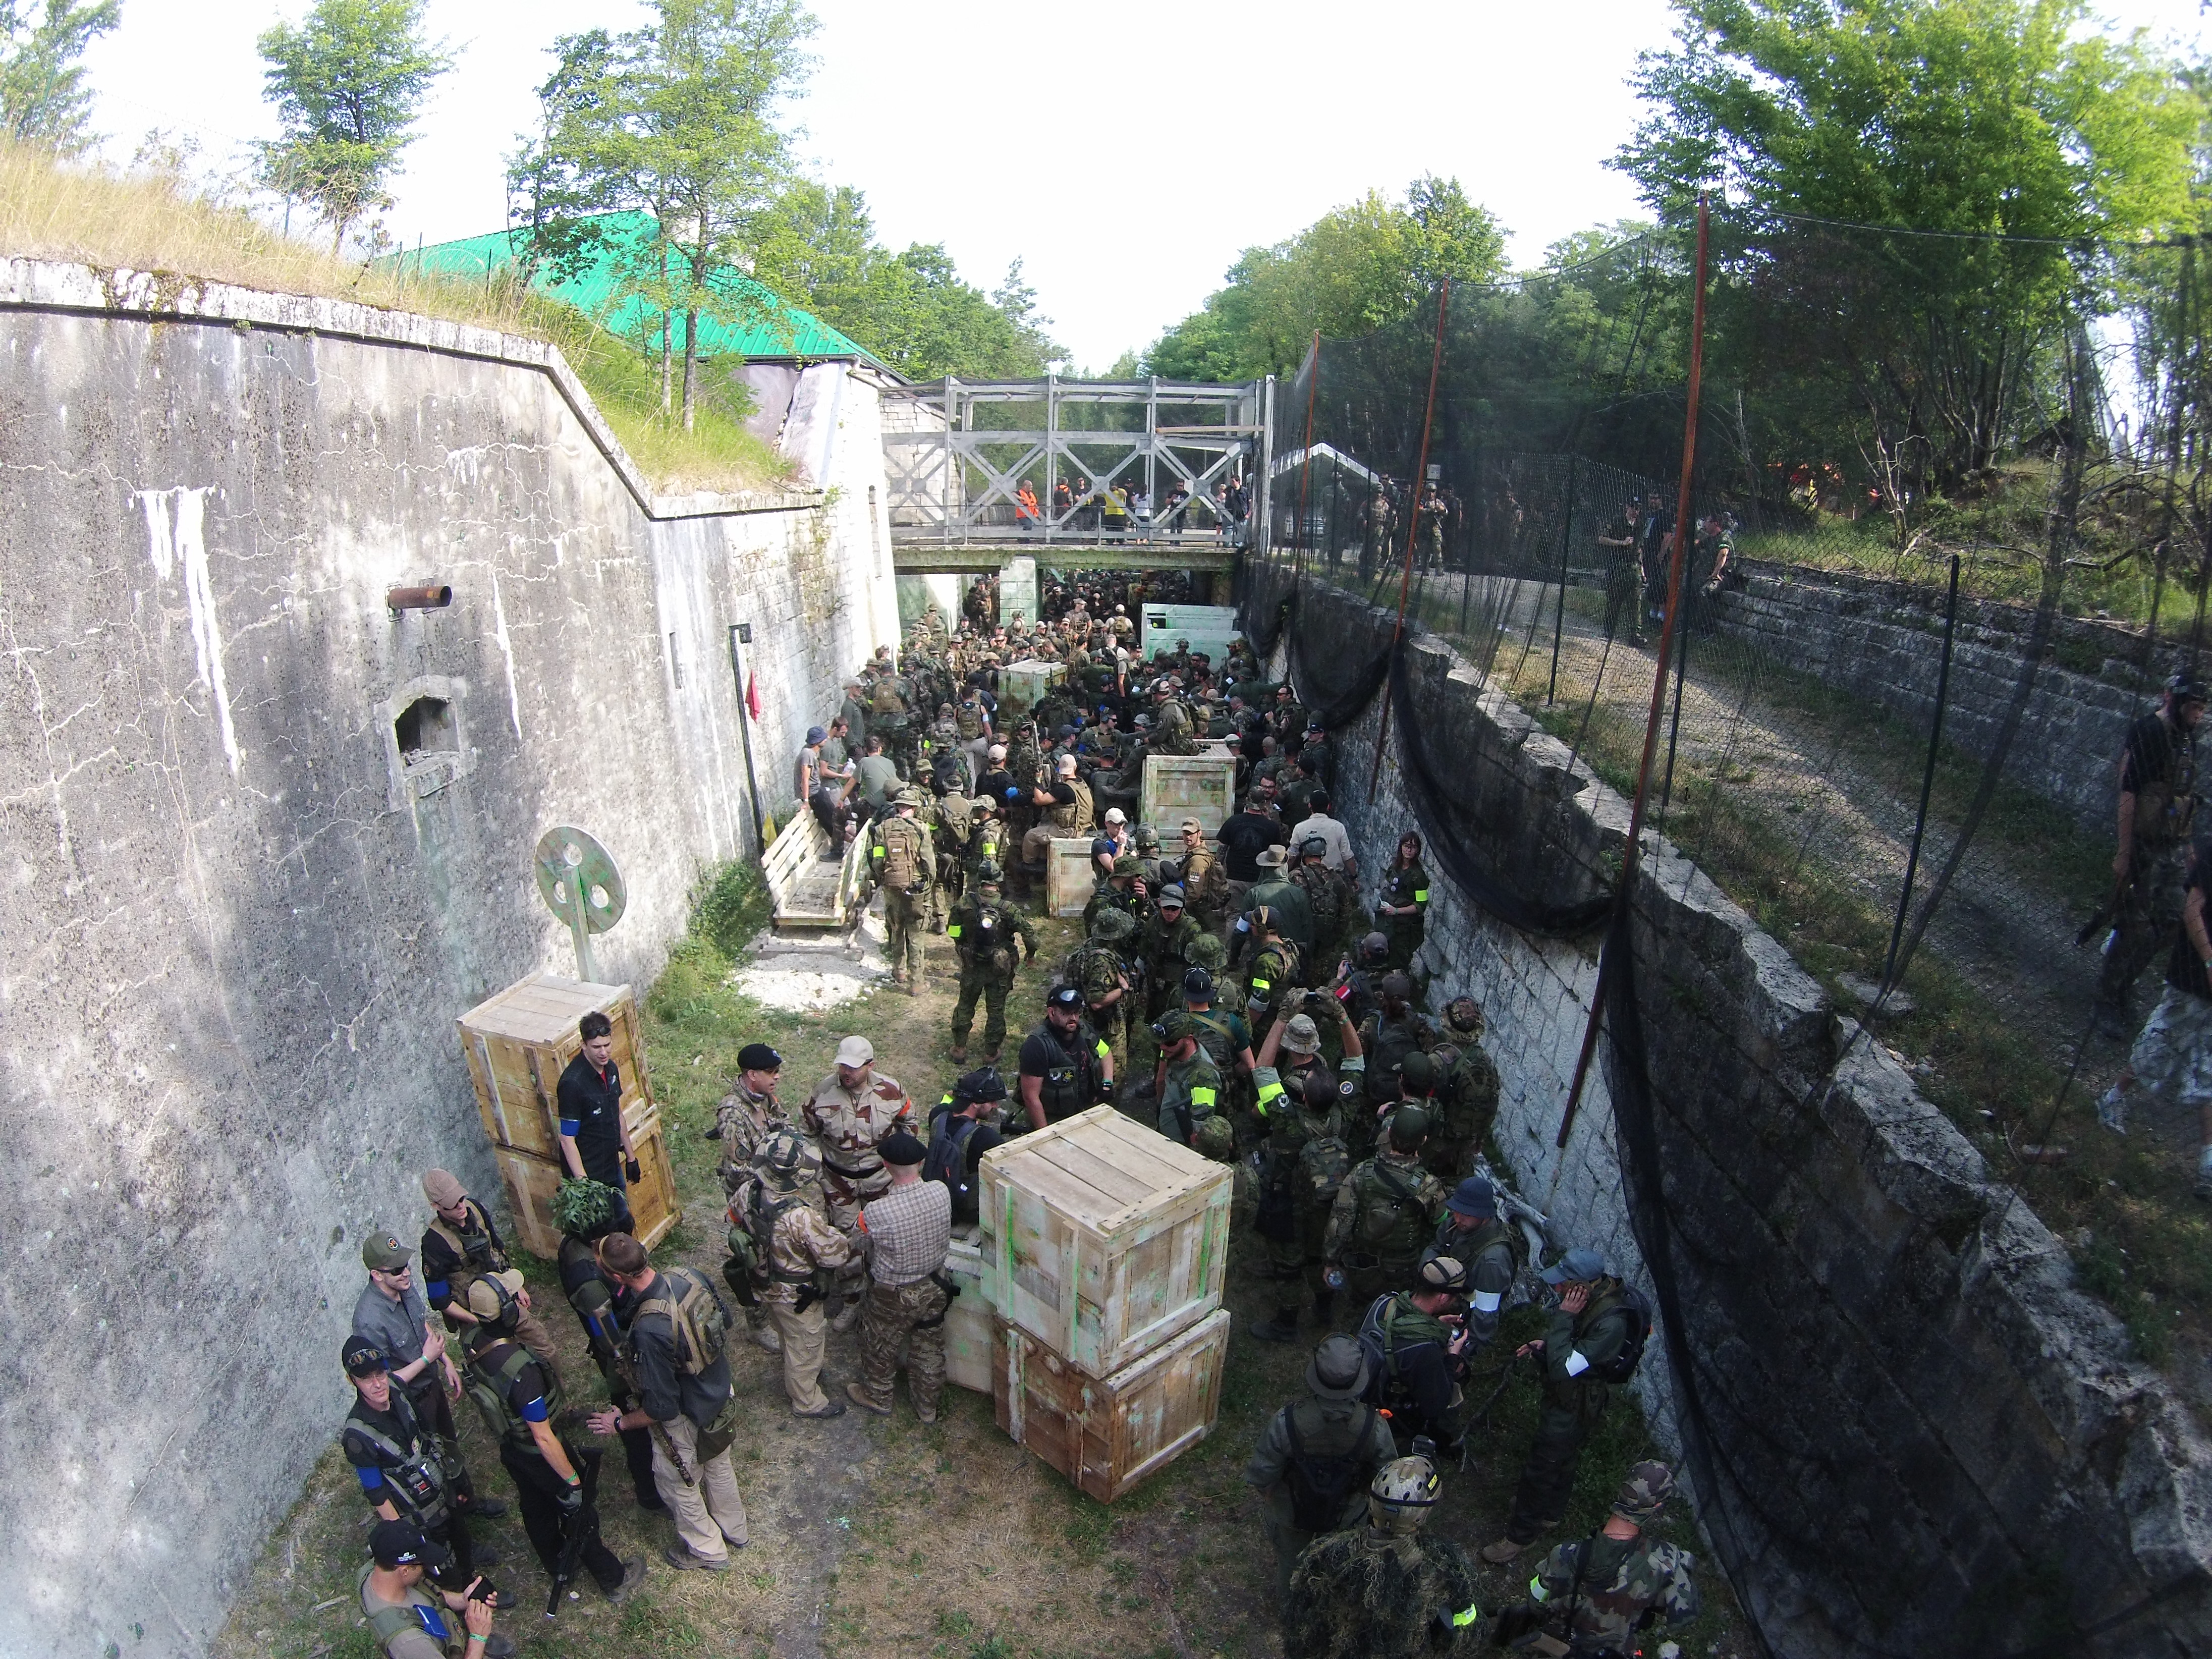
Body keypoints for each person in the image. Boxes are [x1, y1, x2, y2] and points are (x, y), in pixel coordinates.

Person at [455, 1270, 645, 1604]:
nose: (519, 1303)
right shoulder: (521, 1371)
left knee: (534, 1506)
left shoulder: (472, 1341)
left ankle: (556, 1559)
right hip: (536, 1449)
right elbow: (543, 1437)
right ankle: (613, 1578)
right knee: (579, 1512)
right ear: (507, 1312)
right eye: (514, 1300)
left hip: (511, 1447)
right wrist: (573, 1480)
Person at [589, 1233, 751, 1571]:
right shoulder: (688, 1275)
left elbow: (662, 1408)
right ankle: (735, 1530)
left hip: (688, 1414)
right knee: (720, 1464)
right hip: (719, 1392)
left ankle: (708, 1551)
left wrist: (619, 1423)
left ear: (617, 1278)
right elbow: (726, 1321)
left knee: (680, 1482)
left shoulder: (649, 1329)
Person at [1482, 1248, 1646, 1563]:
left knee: (1542, 1467)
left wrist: (1564, 1319)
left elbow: (1564, 1367)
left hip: (1575, 1404)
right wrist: (1548, 1343)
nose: (1557, 1290)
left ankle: (1521, 1536)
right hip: (1576, 1396)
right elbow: (1575, 1347)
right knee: (1566, 1458)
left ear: (1582, 1285)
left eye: (1563, 1284)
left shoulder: (1611, 1324)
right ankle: (1551, 1513)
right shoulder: (1595, 1299)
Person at [340, 1338, 505, 1607]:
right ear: (353, 1381)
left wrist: (456, 1483)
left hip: (441, 1491)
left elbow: (429, 1437)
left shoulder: (397, 1388)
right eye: (366, 1378)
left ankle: (473, 1591)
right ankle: (464, 1617)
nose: (378, 1384)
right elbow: (377, 1494)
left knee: (462, 1544)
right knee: (442, 1571)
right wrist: (407, 1539)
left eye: (380, 1373)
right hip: (416, 1515)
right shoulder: (357, 1436)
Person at [1244, 1335, 1400, 1603]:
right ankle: (1330, 1607)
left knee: (1290, 1565)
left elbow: (1262, 1475)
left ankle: (1290, 1608)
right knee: (1340, 1564)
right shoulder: (1373, 1427)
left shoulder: (1287, 1421)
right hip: (1347, 1516)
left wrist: (1274, 1497)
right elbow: (1387, 1479)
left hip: (1292, 1511)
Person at [352, 1231, 495, 1522]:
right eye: (396, 1270)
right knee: (429, 1462)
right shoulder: (369, 1321)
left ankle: (467, 1501)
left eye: (405, 1265)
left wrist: (444, 1360)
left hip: (431, 1385)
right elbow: (385, 1382)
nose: (406, 1273)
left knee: (448, 1444)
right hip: (408, 1402)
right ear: (377, 1275)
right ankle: (451, 1520)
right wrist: (427, 1358)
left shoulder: (403, 1286)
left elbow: (421, 1326)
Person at [2094, 674, 2208, 1039]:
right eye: (2194, 707)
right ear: (2174, 701)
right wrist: (2124, 852)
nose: (2199, 715)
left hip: (2174, 847)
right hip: (2145, 846)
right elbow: (2129, 792)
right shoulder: (2151, 732)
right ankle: (2107, 998)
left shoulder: (2187, 739)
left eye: (2203, 709)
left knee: (2172, 921)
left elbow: (2182, 795)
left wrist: (2188, 847)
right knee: (2134, 925)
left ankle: (2125, 985)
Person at [2098, 832, 2212, 1195]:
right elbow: (2192, 909)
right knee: (2162, 1040)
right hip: (2193, 975)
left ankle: (2209, 1161)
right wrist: (2210, 960)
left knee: (2210, 1067)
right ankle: (2114, 1097)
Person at [1283, 1455, 1481, 1658]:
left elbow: (1301, 1624)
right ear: (1422, 1514)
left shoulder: (1328, 1552)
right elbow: (1460, 1635)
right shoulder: (1441, 1571)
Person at [548, 1179, 665, 1507]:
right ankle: (649, 1490)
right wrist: (637, 1365)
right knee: (634, 1422)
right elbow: (612, 1341)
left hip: (619, 1338)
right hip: (621, 1359)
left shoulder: (575, 1244)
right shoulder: (590, 1283)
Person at [1514, 1463, 1699, 1656]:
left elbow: (1536, 1604)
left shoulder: (1564, 1554)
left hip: (1556, 1648)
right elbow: (1684, 1613)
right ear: (1657, 1507)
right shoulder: (1665, 1563)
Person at [732, 1128, 854, 1418]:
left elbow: (734, 1220)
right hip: (797, 1292)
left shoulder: (747, 1192)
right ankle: (808, 1401)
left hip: (763, 1281)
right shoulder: (802, 1216)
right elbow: (835, 1254)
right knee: (806, 1343)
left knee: (786, 1331)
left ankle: (799, 1373)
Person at [803, 1034, 918, 1329]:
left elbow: (910, 1124)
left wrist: (902, 1165)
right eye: (842, 1066)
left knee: (886, 1237)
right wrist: (817, 1172)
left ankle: (884, 1297)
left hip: (881, 1179)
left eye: (854, 1068)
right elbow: (807, 1135)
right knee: (846, 1240)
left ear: (871, 1065)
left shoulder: (891, 1092)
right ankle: (852, 1300)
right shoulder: (822, 1094)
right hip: (839, 1182)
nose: (846, 1073)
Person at [1250, 1024, 1357, 1341]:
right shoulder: (1343, 1114)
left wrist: (1281, 1019)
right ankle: (1324, 1307)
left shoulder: (1289, 1122)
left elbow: (1263, 1070)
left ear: (1305, 1100)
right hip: (1326, 1201)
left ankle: (1286, 1324)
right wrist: (1340, 1016)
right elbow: (1356, 1063)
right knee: (1318, 1255)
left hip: (1290, 1200)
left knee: (1288, 1265)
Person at [848, 1131, 955, 1422]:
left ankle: (878, 1396)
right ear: (920, 1163)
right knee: (929, 1345)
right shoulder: (940, 1191)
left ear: (885, 1165)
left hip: (893, 1295)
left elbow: (858, 1245)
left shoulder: (876, 1212)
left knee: (878, 1345)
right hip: (936, 1284)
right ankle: (927, 1407)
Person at [417, 1170, 554, 1356]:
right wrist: (476, 1320)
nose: (461, 1206)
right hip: (474, 1313)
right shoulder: (434, 1243)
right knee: (502, 1364)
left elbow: (497, 1247)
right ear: (436, 1206)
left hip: (503, 1295)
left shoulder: (476, 1210)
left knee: (543, 1346)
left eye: (461, 1198)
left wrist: (515, 1286)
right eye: (452, 1205)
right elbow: (440, 1300)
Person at [1324, 1105, 1448, 1310]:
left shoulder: (1362, 1172)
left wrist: (1330, 1260)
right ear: (1424, 1141)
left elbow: (1340, 1221)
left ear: (1389, 1134)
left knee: (1360, 1304)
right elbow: (1439, 1222)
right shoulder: (1429, 1185)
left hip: (1363, 1262)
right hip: (1403, 1269)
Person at [1356, 1255, 1474, 1452]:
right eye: (1456, 1298)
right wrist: (1452, 1355)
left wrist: (1434, 1324)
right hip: (1392, 1413)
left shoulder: (1384, 1302)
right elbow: (1436, 1405)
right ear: (1443, 1297)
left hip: (1362, 1386)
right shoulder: (1425, 1349)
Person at [358, 1520, 509, 1659]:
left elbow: (424, 1595)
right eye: (422, 1564)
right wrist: (478, 1638)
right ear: (404, 1571)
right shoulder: (413, 1645)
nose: (425, 1569)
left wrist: (462, 1600)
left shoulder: (378, 1571)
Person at [948, 859, 1038, 1063]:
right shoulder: (1008, 908)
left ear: (980, 881)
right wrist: (1030, 956)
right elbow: (1031, 937)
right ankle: (991, 1052)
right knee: (996, 1010)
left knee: (965, 1005)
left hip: (972, 964)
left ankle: (959, 1048)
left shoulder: (964, 904)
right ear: (999, 881)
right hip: (999, 969)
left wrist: (963, 946)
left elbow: (953, 930)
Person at [557, 1012, 640, 1224]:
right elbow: (567, 1139)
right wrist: (585, 1187)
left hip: (611, 1165)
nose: (604, 1052)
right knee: (600, 1233)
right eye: (597, 1047)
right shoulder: (572, 1084)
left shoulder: (610, 1069)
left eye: (607, 1045)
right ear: (583, 1045)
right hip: (590, 1173)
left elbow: (617, 1113)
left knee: (623, 1220)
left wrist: (631, 1158)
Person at [1422, 1178, 1518, 1352]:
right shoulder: (1457, 1225)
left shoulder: (1493, 1260)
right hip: (1443, 1293)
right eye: (1457, 1211)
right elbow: (1435, 1247)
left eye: (1466, 1214)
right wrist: (1428, 1270)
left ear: (1484, 1216)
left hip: (1462, 1311)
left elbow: (1485, 1313)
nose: (1458, 1218)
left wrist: (1466, 1350)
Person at [1019, 983, 1113, 1129]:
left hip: (1085, 1113)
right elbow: (1031, 1098)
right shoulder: (1037, 1046)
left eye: (1077, 1013)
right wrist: (1045, 1135)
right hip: (1054, 1121)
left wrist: (1107, 1082)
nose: (1074, 1018)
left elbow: (1105, 1052)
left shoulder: (1083, 1030)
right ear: (1052, 1013)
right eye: (1067, 1013)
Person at [869, 788, 935, 992]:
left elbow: (877, 860)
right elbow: (929, 862)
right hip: (915, 887)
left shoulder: (882, 828)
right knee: (916, 932)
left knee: (896, 928)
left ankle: (899, 972)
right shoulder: (921, 828)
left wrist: (885, 878)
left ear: (898, 807)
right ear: (914, 808)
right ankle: (916, 982)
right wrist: (929, 882)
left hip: (892, 886)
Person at [925, 1067, 1011, 1224]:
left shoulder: (937, 1115)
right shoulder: (986, 1137)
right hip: (965, 1210)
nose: (995, 1106)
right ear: (975, 1104)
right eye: (991, 1101)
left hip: (933, 1196)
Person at [1427, 1000, 1501, 1181]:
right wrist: (1479, 1139)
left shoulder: (1438, 1060)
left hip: (1436, 1143)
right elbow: (1492, 1104)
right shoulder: (1487, 1063)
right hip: (1466, 1146)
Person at [1153, 1010, 1225, 1145]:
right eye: (1161, 1042)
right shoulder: (1172, 1051)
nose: (1163, 1047)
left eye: (1170, 1043)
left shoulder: (1203, 1078)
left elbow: (1201, 1130)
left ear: (1188, 1039)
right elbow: (1161, 1079)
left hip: (1181, 1144)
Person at [1219, 794, 1291, 914]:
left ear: (1247, 802)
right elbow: (1277, 854)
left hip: (1234, 878)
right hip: (1260, 880)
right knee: (1259, 916)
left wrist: (1220, 876)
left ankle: (1235, 933)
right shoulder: (1272, 827)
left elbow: (1221, 851)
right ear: (1264, 804)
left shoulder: (1233, 821)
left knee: (1234, 915)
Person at [1596, 497, 1647, 646]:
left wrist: (1642, 570)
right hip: (1617, 565)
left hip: (1634, 567)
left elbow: (1640, 549)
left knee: (1635, 602)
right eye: (1633, 508)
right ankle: (1609, 628)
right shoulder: (1616, 522)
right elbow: (1601, 539)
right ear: (1627, 507)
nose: (1635, 511)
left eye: (1637, 509)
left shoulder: (1640, 525)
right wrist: (1621, 543)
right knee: (1615, 599)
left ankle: (1635, 633)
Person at [1377, 833, 1430, 971]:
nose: (1409, 850)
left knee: (1398, 964)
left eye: (1413, 847)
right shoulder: (1395, 867)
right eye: (1407, 846)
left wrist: (1397, 911)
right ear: (1401, 847)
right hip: (1387, 923)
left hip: (1404, 930)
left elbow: (1421, 905)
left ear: (1418, 850)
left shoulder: (1418, 876)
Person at [1290, 790, 1355, 880]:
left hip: (1309, 878)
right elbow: (1347, 856)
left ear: (1310, 805)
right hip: (1335, 879)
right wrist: (1354, 877)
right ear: (1328, 807)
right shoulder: (1338, 827)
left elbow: (1292, 855)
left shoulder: (1300, 828)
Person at [854, 734, 902, 812]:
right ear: (880, 749)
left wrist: (841, 799)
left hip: (874, 806)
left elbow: (851, 783)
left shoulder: (864, 761)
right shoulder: (890, 762)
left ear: (866, 749)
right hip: (892, 803)